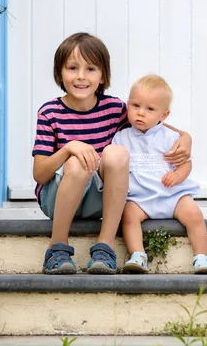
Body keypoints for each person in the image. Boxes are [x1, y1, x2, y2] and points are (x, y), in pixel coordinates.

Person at [32, 32, 192, 275]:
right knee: (77, 164)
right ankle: (57, 247)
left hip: (100, 201)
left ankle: (104, 248)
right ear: (60, 72)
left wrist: (185, 136)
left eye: (91, 69)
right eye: (72, 68)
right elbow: (40, 175)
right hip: (58, 199)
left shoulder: (115, 108)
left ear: (103, 75)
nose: (81, 77)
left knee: (117, 153)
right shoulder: (49, 113)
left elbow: (153, 122)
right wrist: (68, 148)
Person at [111, 74, 207, 274]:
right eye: (135, 106)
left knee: (194, 214)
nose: (141, 113)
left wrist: (177, 176)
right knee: (128, 215)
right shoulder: (122, 137)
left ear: (164, 115)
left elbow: (185, 164)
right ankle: (138, 255)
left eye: (150, 109)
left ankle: (201, 257)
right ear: (127, 105)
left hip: (171, 195)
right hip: (140, 199)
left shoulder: (170, 137)